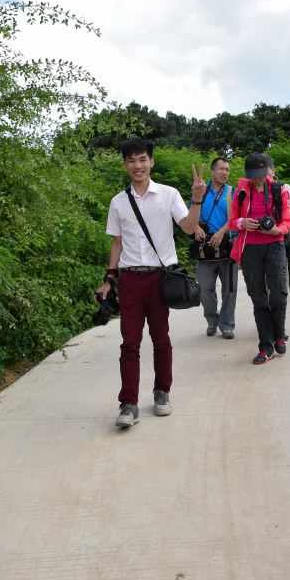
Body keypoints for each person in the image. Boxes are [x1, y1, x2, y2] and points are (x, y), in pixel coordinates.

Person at [97, 138, 207, 427]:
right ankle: (128, 404)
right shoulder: (118, 202)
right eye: (131, 160)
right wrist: (109, 279)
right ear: (124, 165)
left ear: (151, 162)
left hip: (161, 278)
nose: (137, 165)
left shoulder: (169, 194)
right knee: (129, 343)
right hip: (131, 279)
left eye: (142, 159)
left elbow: (188, 227)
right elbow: (117, 243)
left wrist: (196, 199)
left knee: (161, 340)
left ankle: (162, 393)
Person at [228, 153, 290, 365]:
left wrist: (276, 230)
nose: (256, 179)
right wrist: (242, 223)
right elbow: (232, 222)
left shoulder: (278, 190)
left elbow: (287, 222)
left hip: (275, 246)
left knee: (279, 295)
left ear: (268, 171)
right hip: (250, 249)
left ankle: (278, 334)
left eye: (260, 174)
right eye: (252, 175)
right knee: (258, 299)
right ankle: (265, 347)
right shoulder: (240, 192)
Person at [191, 157, 237, 339]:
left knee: (230, 290)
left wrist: (222, 233)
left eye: (227, 169)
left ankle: (227, 325)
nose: (225, 172)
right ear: (212, 171)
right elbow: (189, 215)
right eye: (221, 169)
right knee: (204, 287)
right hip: (205, 249)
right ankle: (212, 320)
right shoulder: (201, 190)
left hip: (227, 247)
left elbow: (237, 219)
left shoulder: (233, 192)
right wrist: (196, 228)